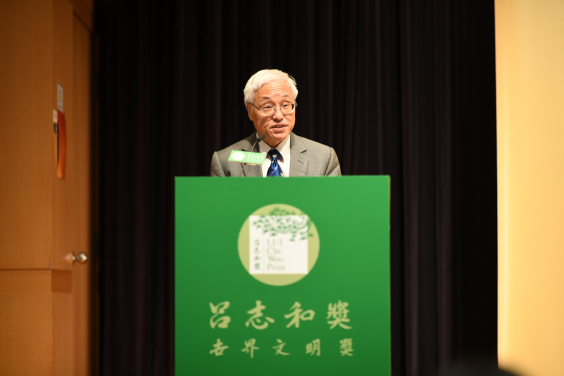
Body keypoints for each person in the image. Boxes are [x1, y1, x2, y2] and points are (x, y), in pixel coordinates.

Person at [210, 69, 341, 177]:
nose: (278, 116)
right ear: (250, 111)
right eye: (267, 107)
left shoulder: (324, 158)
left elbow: (334, 207)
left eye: (285, 105)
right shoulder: (225, 161)